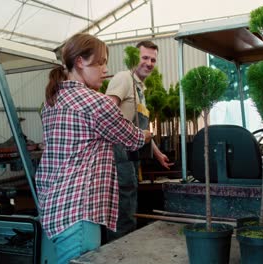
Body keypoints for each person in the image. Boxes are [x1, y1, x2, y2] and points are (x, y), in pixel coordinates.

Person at [35, 33, 152, 264]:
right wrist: (147, 135)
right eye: (100, 63)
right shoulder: (95, 103)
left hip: (53, 206)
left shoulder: (52, 100)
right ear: (80, 62)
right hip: (80, 212)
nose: (105, 69)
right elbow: (131, 139)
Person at [105, 40, 174, 241]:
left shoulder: (140, 88)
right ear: (134, 58)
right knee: (122, 206)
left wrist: (157, 152)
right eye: (145, 58)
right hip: (117, 153)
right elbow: (108, 113)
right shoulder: (123, 78)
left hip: (131, 155)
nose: (149, 63)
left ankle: (126, 245)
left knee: (129, 202)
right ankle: (118, 249)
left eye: (153, 59)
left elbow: (140, 130)